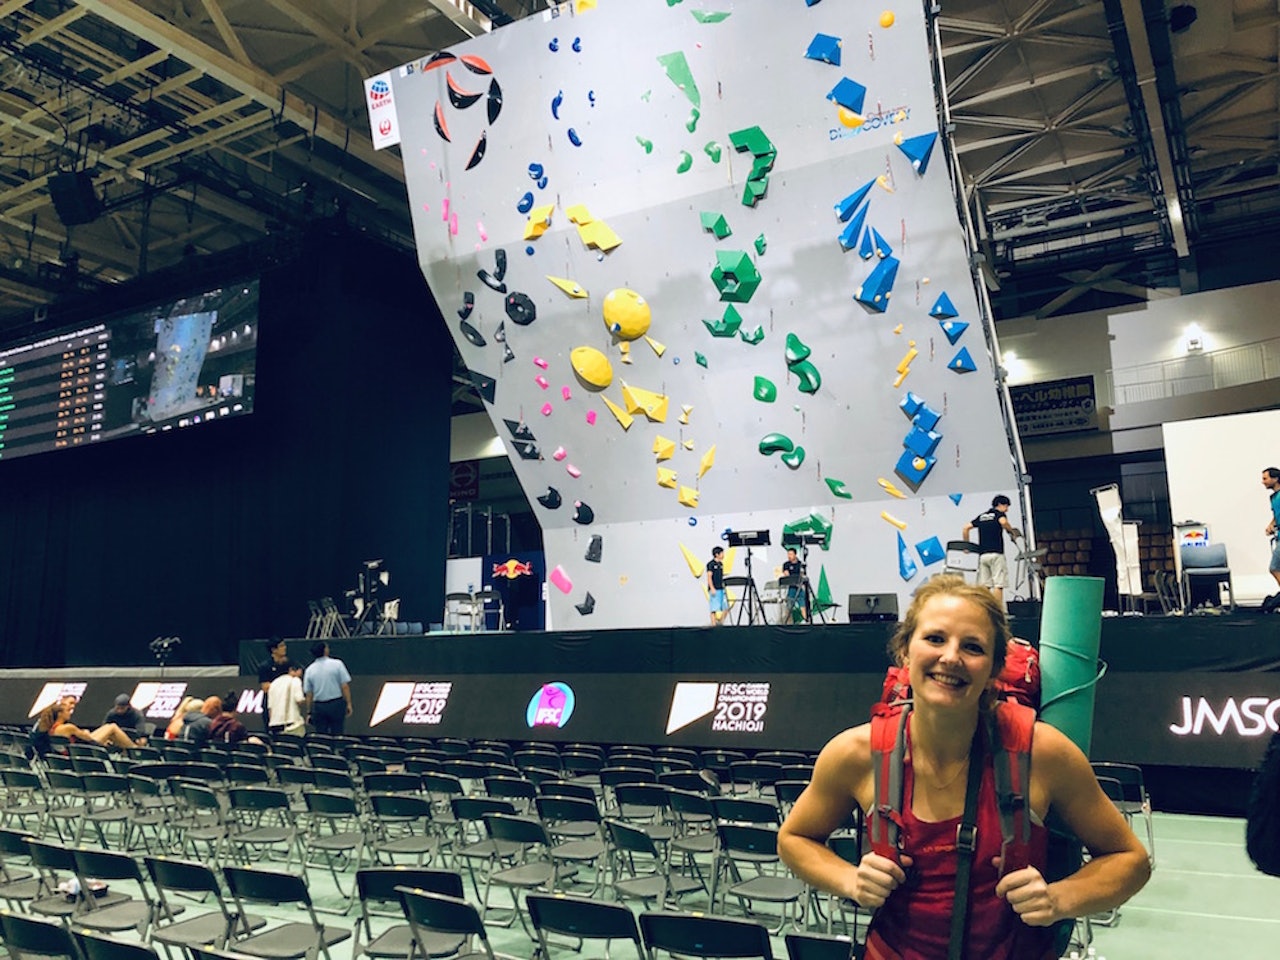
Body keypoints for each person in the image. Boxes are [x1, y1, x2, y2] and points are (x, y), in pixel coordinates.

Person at [778, 576, 1150, 960]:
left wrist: (1058, 899)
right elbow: (794, 838)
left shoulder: (1041, 753)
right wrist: (850, 880)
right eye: (935, 638)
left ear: (994, 668)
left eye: (973, 646)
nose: (951, 657)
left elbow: (1130, 859)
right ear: (905, 651)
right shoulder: (856, 754)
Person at [30, 695, 144, 755]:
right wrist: (84, 732)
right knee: (112, 727)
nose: (70, 712)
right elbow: (87, 738)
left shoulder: (50, 727)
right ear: (60, 714)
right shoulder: (68, 727)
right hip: (85, 750)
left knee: (108, 728)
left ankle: (127, 751)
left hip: (74, 750)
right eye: (68, 711)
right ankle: (135, 750)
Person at [962, 494, 1022, 606]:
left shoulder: (982, 516)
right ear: (1000, 505)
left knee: (985, 585)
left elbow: (966, 528)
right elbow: (1004, 522)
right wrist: (1011, 532)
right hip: (996, 553)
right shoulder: (999, 514)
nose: (1007, 509)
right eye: (1006, 506)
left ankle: (985, 608)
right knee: (998, 584)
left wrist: (966, 545)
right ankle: (997, 609)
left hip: (983, 555)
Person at [304, 641, 352, 735]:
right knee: (338, 732)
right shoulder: (337, 664)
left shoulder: (309, 670)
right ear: (325, 650)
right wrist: (348, 703)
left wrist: (309, 712)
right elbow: (344, 686)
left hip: (319, 706)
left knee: (321, 735)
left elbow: (309, 694)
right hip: (336, 703)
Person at [257, 638, 292, 732]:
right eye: (281, 646)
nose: (285, 648)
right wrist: (283, 682)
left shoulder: (288, 664)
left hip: (286, 704)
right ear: (273, 649)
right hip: (272, 705)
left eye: (284, 645)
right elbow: (265, 687)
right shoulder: (265, 666)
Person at [267, 662, 306, 736]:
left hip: (274, 725)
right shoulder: (295, 680)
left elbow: (270, 708)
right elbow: (299, 700)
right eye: (300, 671)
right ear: (291, 669)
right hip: (292, 725)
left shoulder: (273, 684)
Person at [1263, 468, 1280, 595]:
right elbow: (1277, 515)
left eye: (1265, 478)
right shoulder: (1273, 497)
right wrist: (1271, 524)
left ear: (1275, 479)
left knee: (1274, 567)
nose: (1263, 482)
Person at [780, 546, 808, 624]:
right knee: (789, 605)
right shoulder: (786, 564)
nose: (789, 556)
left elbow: (802, 574)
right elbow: (786, 574)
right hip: (791, 587)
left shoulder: (800, 564)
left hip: (800, 587)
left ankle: (805, 620)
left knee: (802, 604)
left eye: (791, 554)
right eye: (788, 554)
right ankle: (788, 622)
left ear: (795, 555)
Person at [706, 546, 727, 626]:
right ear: (717, 554)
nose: (723, 555)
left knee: (725, 608)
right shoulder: (710, 564)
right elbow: (709, 577)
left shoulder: (721, 564)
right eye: (722, 553)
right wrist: (712, 588)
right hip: (714, 589)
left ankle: (720, 623)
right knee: (713, 609)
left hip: (721, 588)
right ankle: (713, 625)